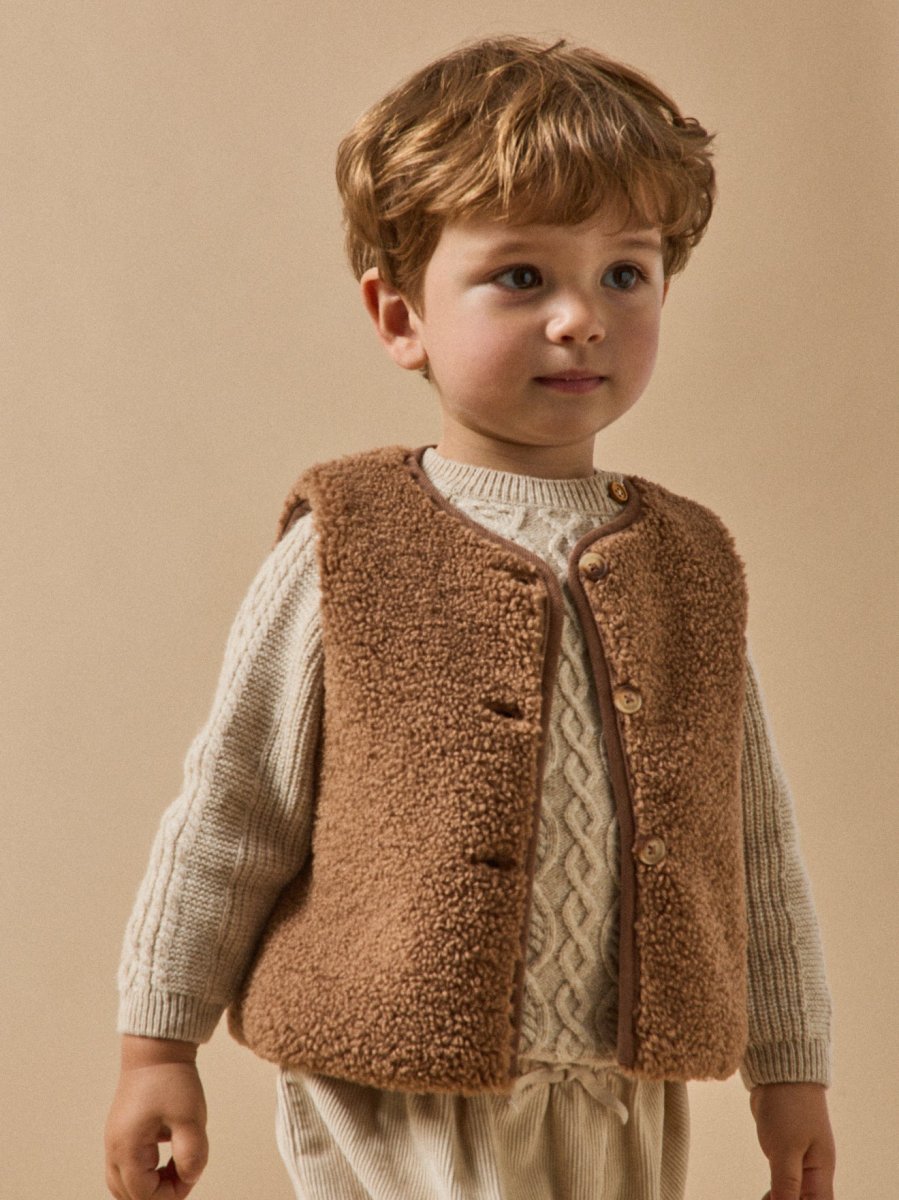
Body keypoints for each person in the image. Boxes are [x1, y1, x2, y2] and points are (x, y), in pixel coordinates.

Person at [104, 33, 837, 1200]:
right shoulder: (346, 541)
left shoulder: (690, 562)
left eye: (624, 274)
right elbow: (234, 809)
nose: (579, 318)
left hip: (616, 1085)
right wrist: (158, 1045)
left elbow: (752, 843)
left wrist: (787, 1071)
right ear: (399, 315)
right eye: (521, 277)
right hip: (390, 1079)